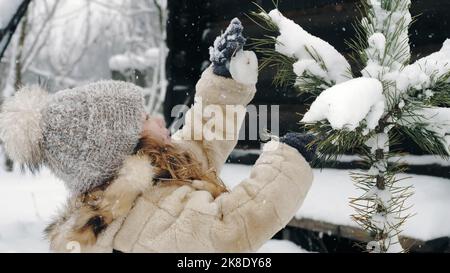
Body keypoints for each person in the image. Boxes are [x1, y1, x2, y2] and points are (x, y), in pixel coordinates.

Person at [0, 18, 314, 253]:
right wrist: (287, 162)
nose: (159, 118)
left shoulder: (134, 185)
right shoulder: (145, 220)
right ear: (123, 145)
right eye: (145, 117)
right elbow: (228, 226)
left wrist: (224, 83)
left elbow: (198, 146)